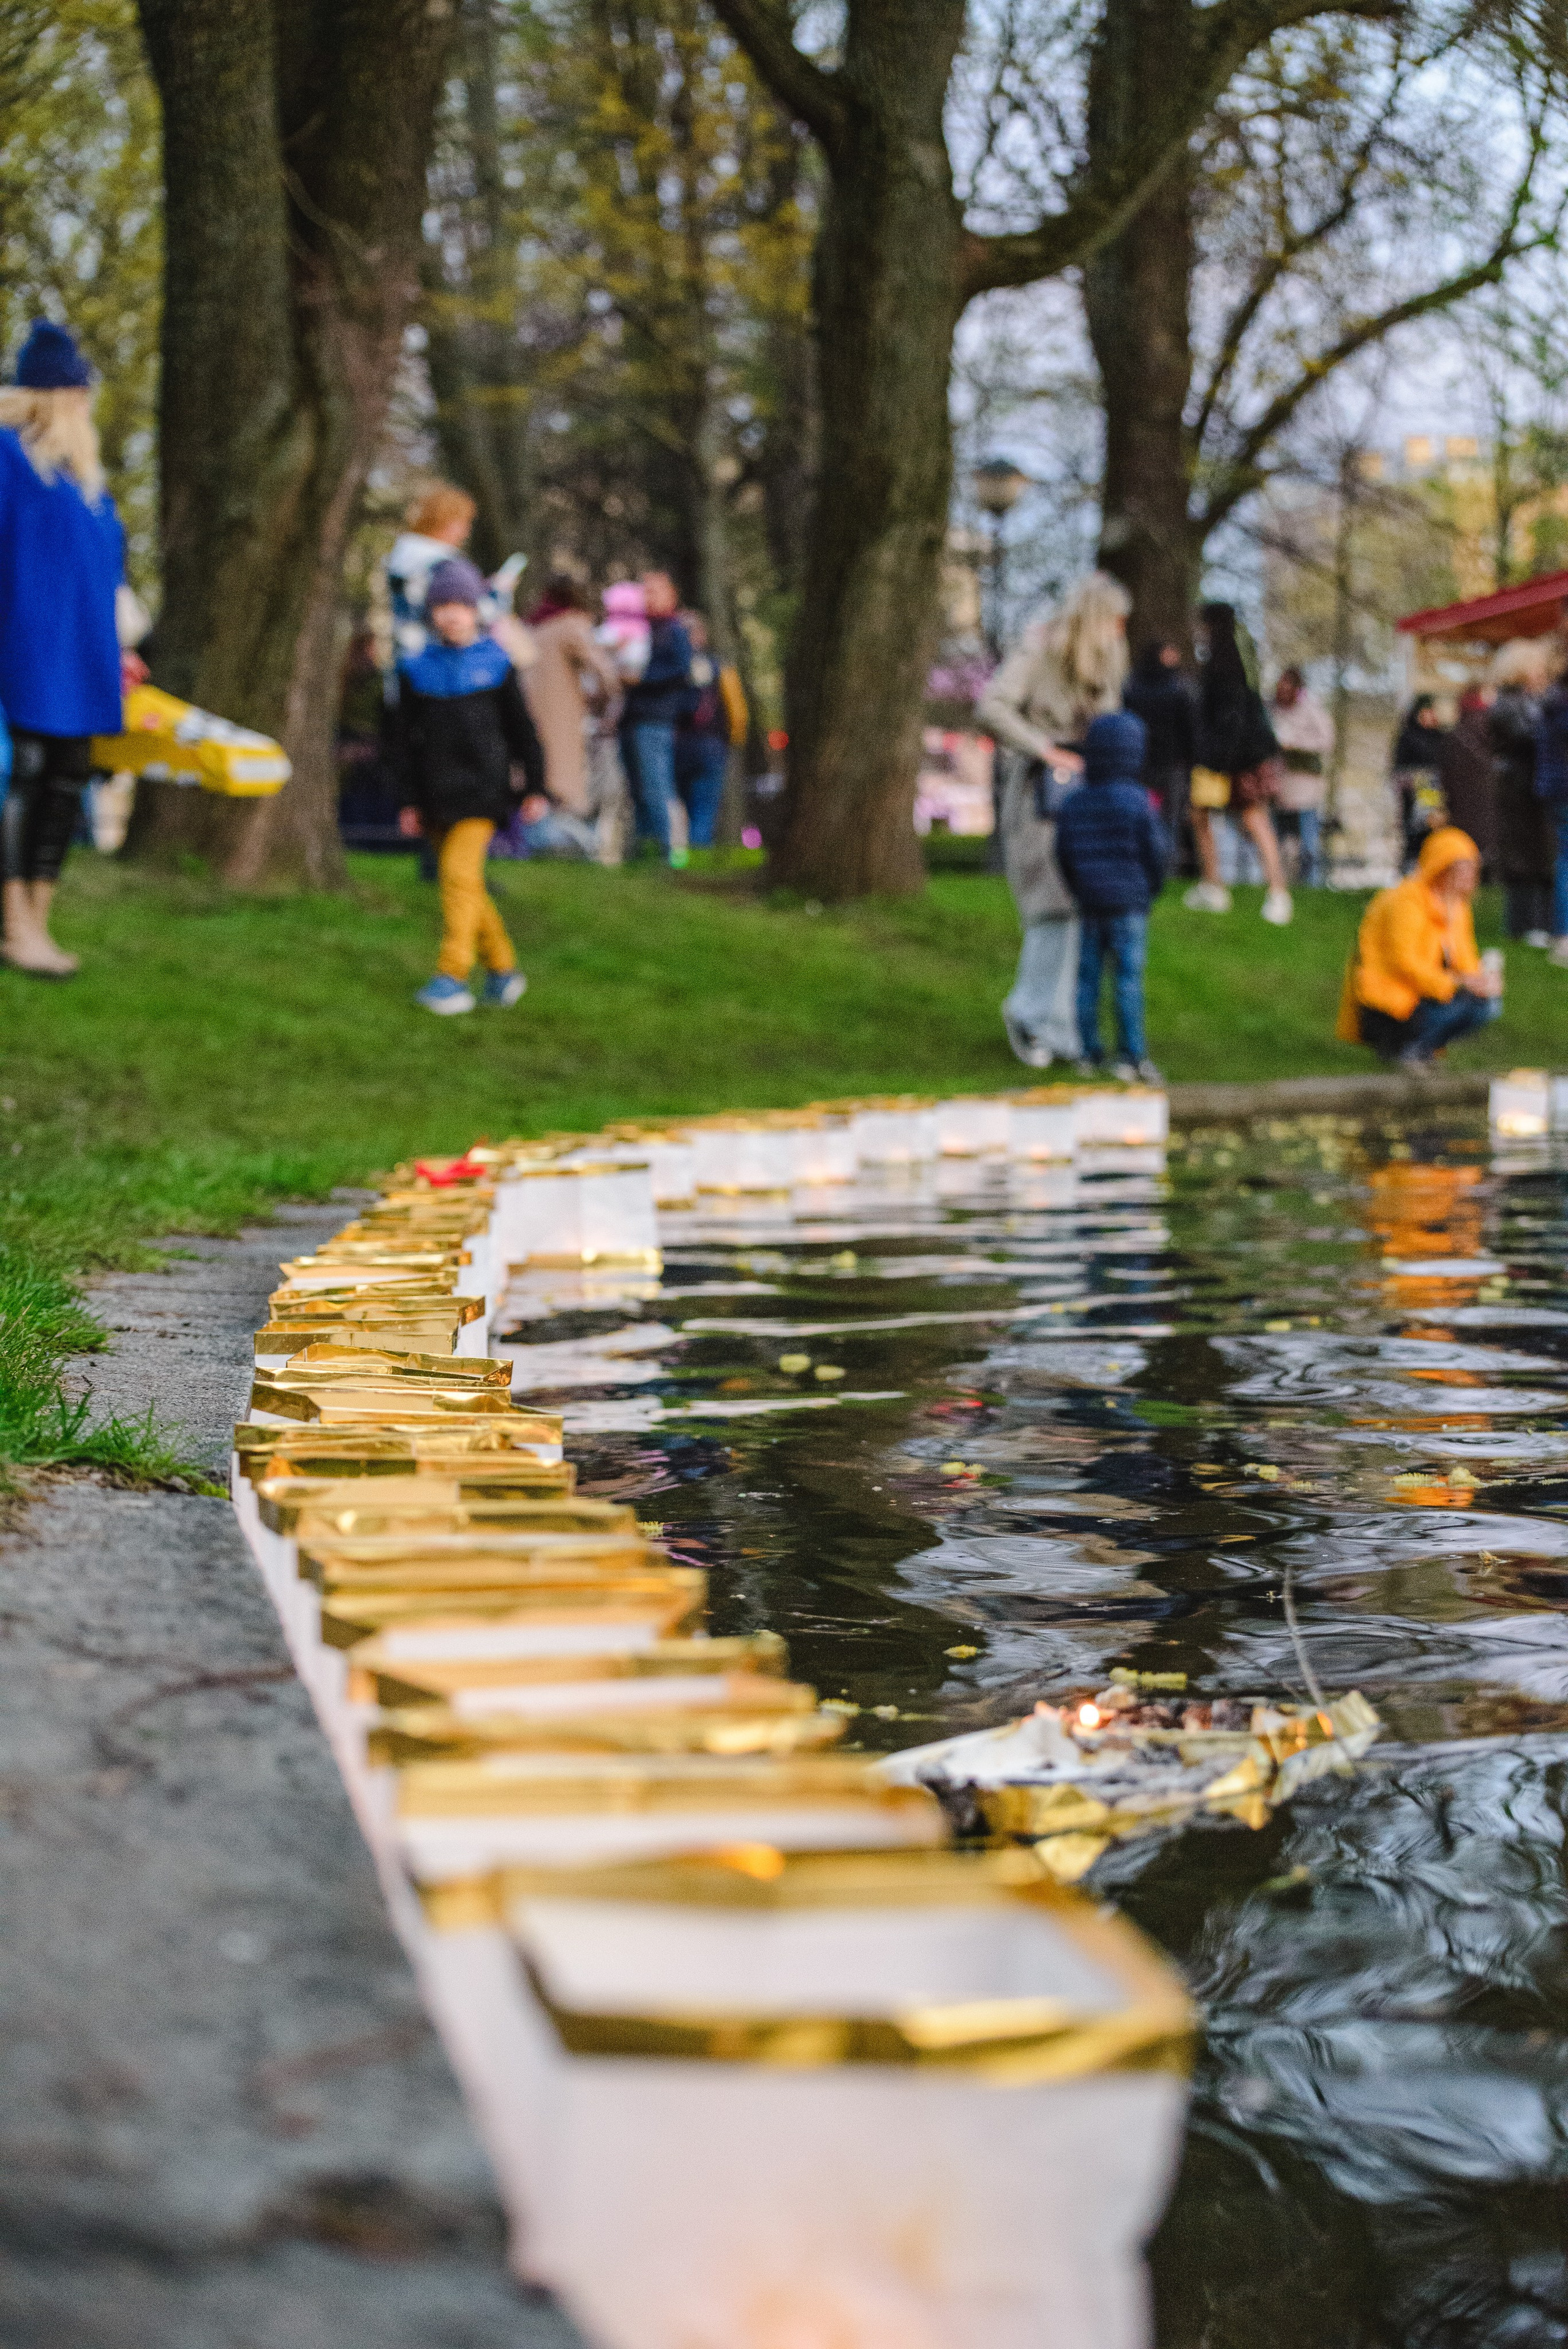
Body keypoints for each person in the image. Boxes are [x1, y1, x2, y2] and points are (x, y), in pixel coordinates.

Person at [0, 321, 125, 978]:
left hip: (84, 657)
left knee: (66, 778)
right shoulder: (7, 456)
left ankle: (39, 919)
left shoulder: (89, 483)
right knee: (22, 775)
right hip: (25, 650)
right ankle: (13, 924)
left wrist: (124, 645)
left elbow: (108, 573)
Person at [978, 569, 1132, 1066]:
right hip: (1040, 795)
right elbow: (992, 707)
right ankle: (1029, 1015)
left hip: (1088, 795)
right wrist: (1044, 748)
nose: (1120, 631)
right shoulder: (1039, 648)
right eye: (1114, 620)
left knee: (1082, 907)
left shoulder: (1106, 664)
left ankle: (1062, 1025)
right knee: (1051, 904)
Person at [387, 557, 545, 1015]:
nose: (451, 615)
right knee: (466, 884)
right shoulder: (416, 670)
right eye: (442, 607)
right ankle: (503, 970)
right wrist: (408, 801)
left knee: (458, 877)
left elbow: (523, 731)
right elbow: (401, 743)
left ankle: (452, 976)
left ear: (476, 609)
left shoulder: (498, 665)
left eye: (460, 605)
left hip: (483, 794)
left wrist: (535, 787)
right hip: (434, 797)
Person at [1054, 710, 1168, 1080]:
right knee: (1128, 978)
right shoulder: (1139, 801)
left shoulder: (1075, 802)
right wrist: (1151, 889)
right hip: (1130, 905)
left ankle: (1088, 1051)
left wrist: (1079, 889)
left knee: (1087, 978)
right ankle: (1131, 1056)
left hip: (1090, 904)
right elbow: (1156, 852)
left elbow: (1064, 853)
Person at [1335, 826, 1502, 1065]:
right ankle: (1404, 1048)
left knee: (1487, 1004)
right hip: (1389, 997)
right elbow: (1402, 962)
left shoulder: (1457, 906)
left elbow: (1466, 959)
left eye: (1472, 869)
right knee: (1466, 1003)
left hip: (1426, 991)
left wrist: (1480, 981)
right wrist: (1455, 983)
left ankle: (1419, 1049)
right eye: (1461, 869)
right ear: (1441, 867)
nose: (1469, 877)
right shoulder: (1406, 900)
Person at [1184, 601, 1292, 924]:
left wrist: (1216, 762)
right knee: (1210, 816)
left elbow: (1228, 720)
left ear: (1210, 626)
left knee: (1250, 819)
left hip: (1233, 761)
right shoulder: (1242, 658)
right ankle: (1218, 886)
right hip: (1238, 757)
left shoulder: (1223, 664)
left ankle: (1273, 893)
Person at [522, 573, 622, 821]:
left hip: (528, 711)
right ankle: (564, 834)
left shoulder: (532, 625)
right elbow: (605, 674)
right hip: (563, 716)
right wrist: (603, 703)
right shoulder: (571, 624)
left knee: (538, 774)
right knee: (564, 781)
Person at [617, 571, 692, 862]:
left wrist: (642, 679)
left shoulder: (674, 630)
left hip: (655, 720)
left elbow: (681, 670)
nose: (648, 598)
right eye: (644, 592)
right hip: (630, 719)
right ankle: (644, 851)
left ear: (672, 595)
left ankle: (668, 853)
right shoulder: (635, 628)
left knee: (656, 787)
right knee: (636, 789)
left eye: (655, 592)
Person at [1487, 638, 1555, 945]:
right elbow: (1528, 737)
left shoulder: (1529, 702)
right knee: (1523, 856)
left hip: (1529, 786)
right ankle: (1524, 925)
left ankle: (1540, 923)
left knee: (1540, 854)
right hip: (1518, 788)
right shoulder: (1509, 704)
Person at [674, 612, 748, 852]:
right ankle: (698, 857)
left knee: (677, 807)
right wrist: (733, 741)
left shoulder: (668, 666)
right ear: (702, 636)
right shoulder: (720, 667)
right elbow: (738, 712)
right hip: (711, 746)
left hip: (675, 745)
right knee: (704, 809)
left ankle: (676, 856)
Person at [1122, 639, 1194, 874]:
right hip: (1165, 764)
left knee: (1151, 814)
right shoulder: (1178, 689)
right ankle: (1163, 865)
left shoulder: (1133, 687)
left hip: (1147, 762)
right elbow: (1188, 729)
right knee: (1167, 817)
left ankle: (1150, 863)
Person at [1268, 666, 1334, 886]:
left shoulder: (1311, 709)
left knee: (1308, 839)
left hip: (1305, 782)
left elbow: (1326, 740)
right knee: (1277, 837)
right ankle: (1276, 880)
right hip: (1279, 781)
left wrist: (1296, 744)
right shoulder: (1272, 709)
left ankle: (1311, 883)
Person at [1436, 684, 1498, 878]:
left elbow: (1445, 773)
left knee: (1467, 840)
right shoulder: (1493, 728)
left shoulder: (1454, 734)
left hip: (1461, 802)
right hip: (1490, 795)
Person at [1532, 643, 1568, 968]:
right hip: (1563, 787)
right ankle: (1564, 936)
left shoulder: (1552, 699)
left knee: (1564, 859)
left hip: (1556, 788)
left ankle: (1562, 935)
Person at [1390, 693, 1449, 871]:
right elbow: (1399, 768)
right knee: (1414, 831)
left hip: (1434, 791)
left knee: (1432, 830)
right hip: (1413, 792)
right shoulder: (1408, 737)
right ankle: (1411, 868)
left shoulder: (1440, 737)